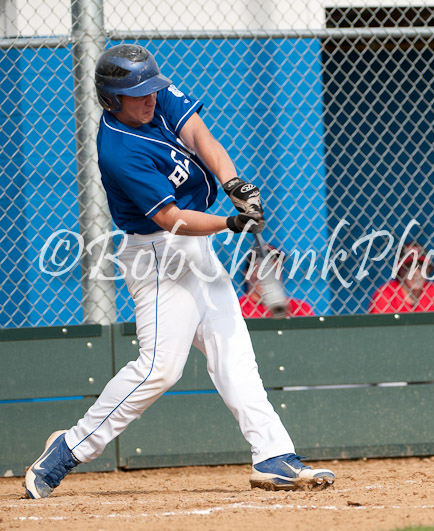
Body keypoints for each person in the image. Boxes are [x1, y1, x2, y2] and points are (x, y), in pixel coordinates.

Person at [24, 44, 334, 499]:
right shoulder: (118, 150)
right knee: (159, 369)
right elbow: (171, 220)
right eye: (137, 93)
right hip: (157, 255)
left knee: (232, 349)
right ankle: (67, 449)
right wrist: (231, 222)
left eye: (151, 88)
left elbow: (201, 137)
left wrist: (234, 184)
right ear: (111, 99)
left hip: (197, 246)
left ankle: (273, 455)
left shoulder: (156, 94)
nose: (150, 98)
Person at [368, 241, 434, 314]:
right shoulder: (386, 294)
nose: (416, 273)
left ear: (428, 270)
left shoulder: (433, 292)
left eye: (421, 267)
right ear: (399, 271)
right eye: (409, 267)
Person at [239, 243, 315, 318]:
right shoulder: (237, 309)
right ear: (247, 274)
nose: (268, 277)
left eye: (274, 271)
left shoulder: (299, 308)